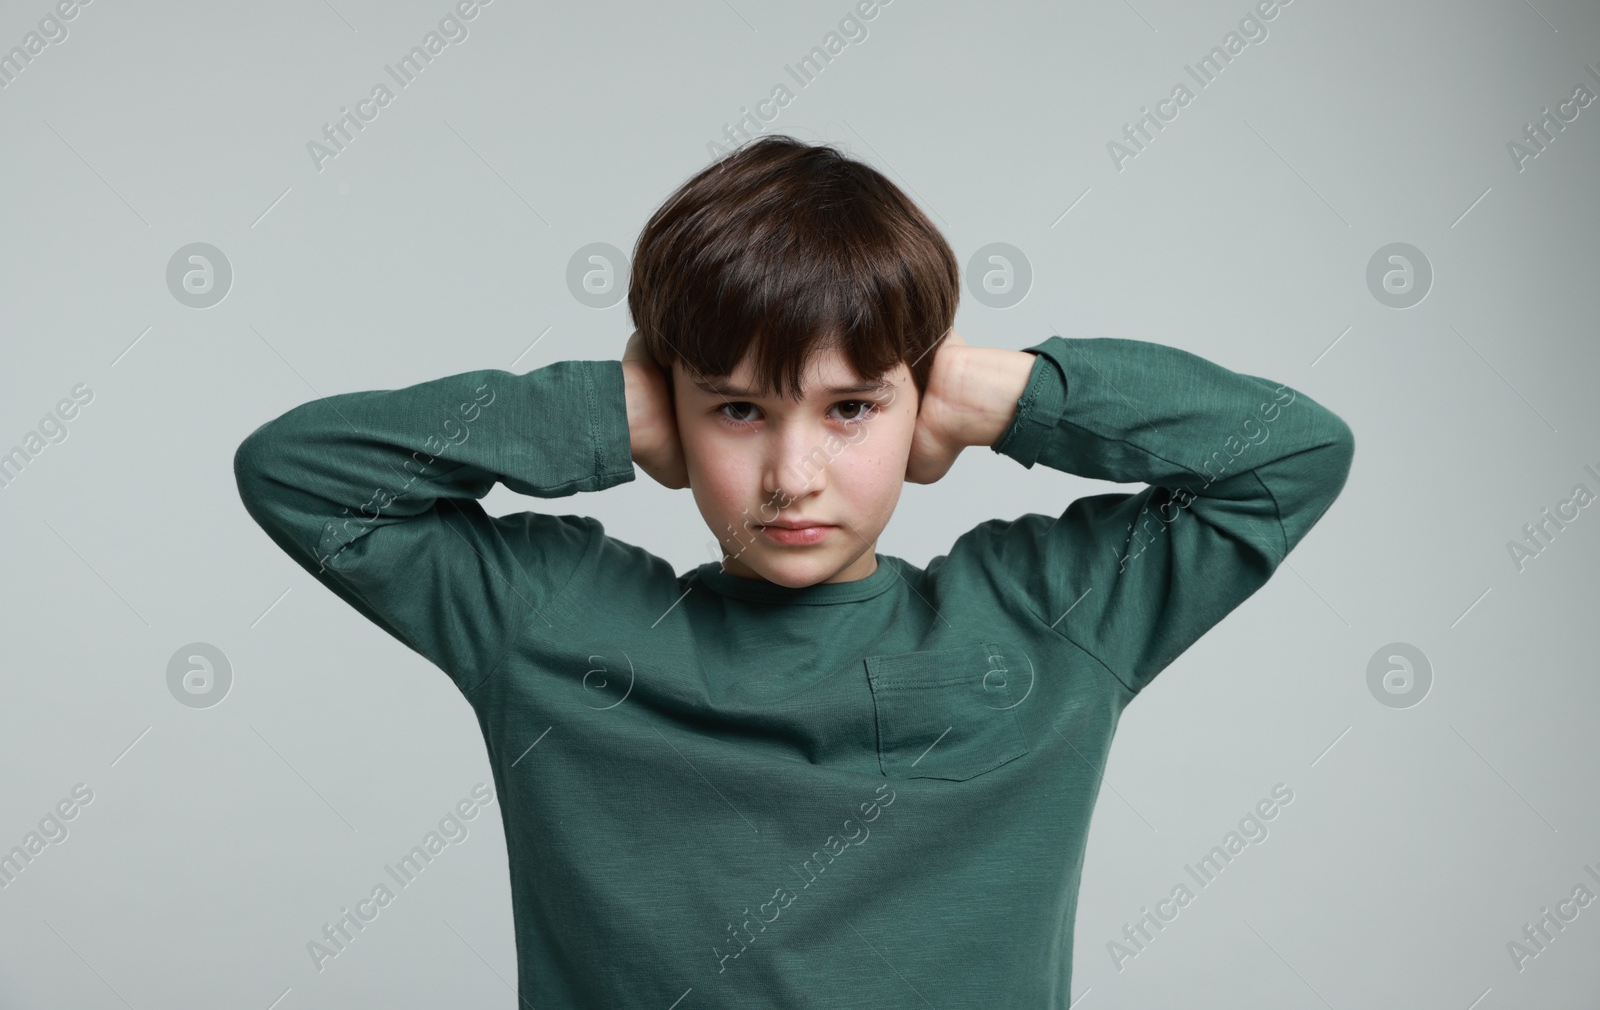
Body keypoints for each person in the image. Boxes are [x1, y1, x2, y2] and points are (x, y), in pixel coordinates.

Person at [232, 134, 1355, 1007]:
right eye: (736, 410)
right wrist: (607, 415)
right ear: (673, 414)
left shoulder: (1039, 622)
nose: (791, 472)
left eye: (850, 407)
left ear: (917, 404)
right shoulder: (552, 623)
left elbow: (1289, 453)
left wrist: (997, 392)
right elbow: (299, 471)